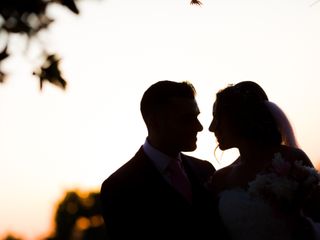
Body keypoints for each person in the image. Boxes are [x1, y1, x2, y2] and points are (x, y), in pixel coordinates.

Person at [100, 80, 226, 240]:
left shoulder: (206, 170)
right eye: (187, 119)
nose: (199, 127)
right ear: (155, 122)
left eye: (197, 117)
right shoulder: (119, 187)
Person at [208, 81, 320, 240]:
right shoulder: (220, 178)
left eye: (217, 117)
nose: (212, 127)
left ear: (239, 118)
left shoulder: (291, 160)